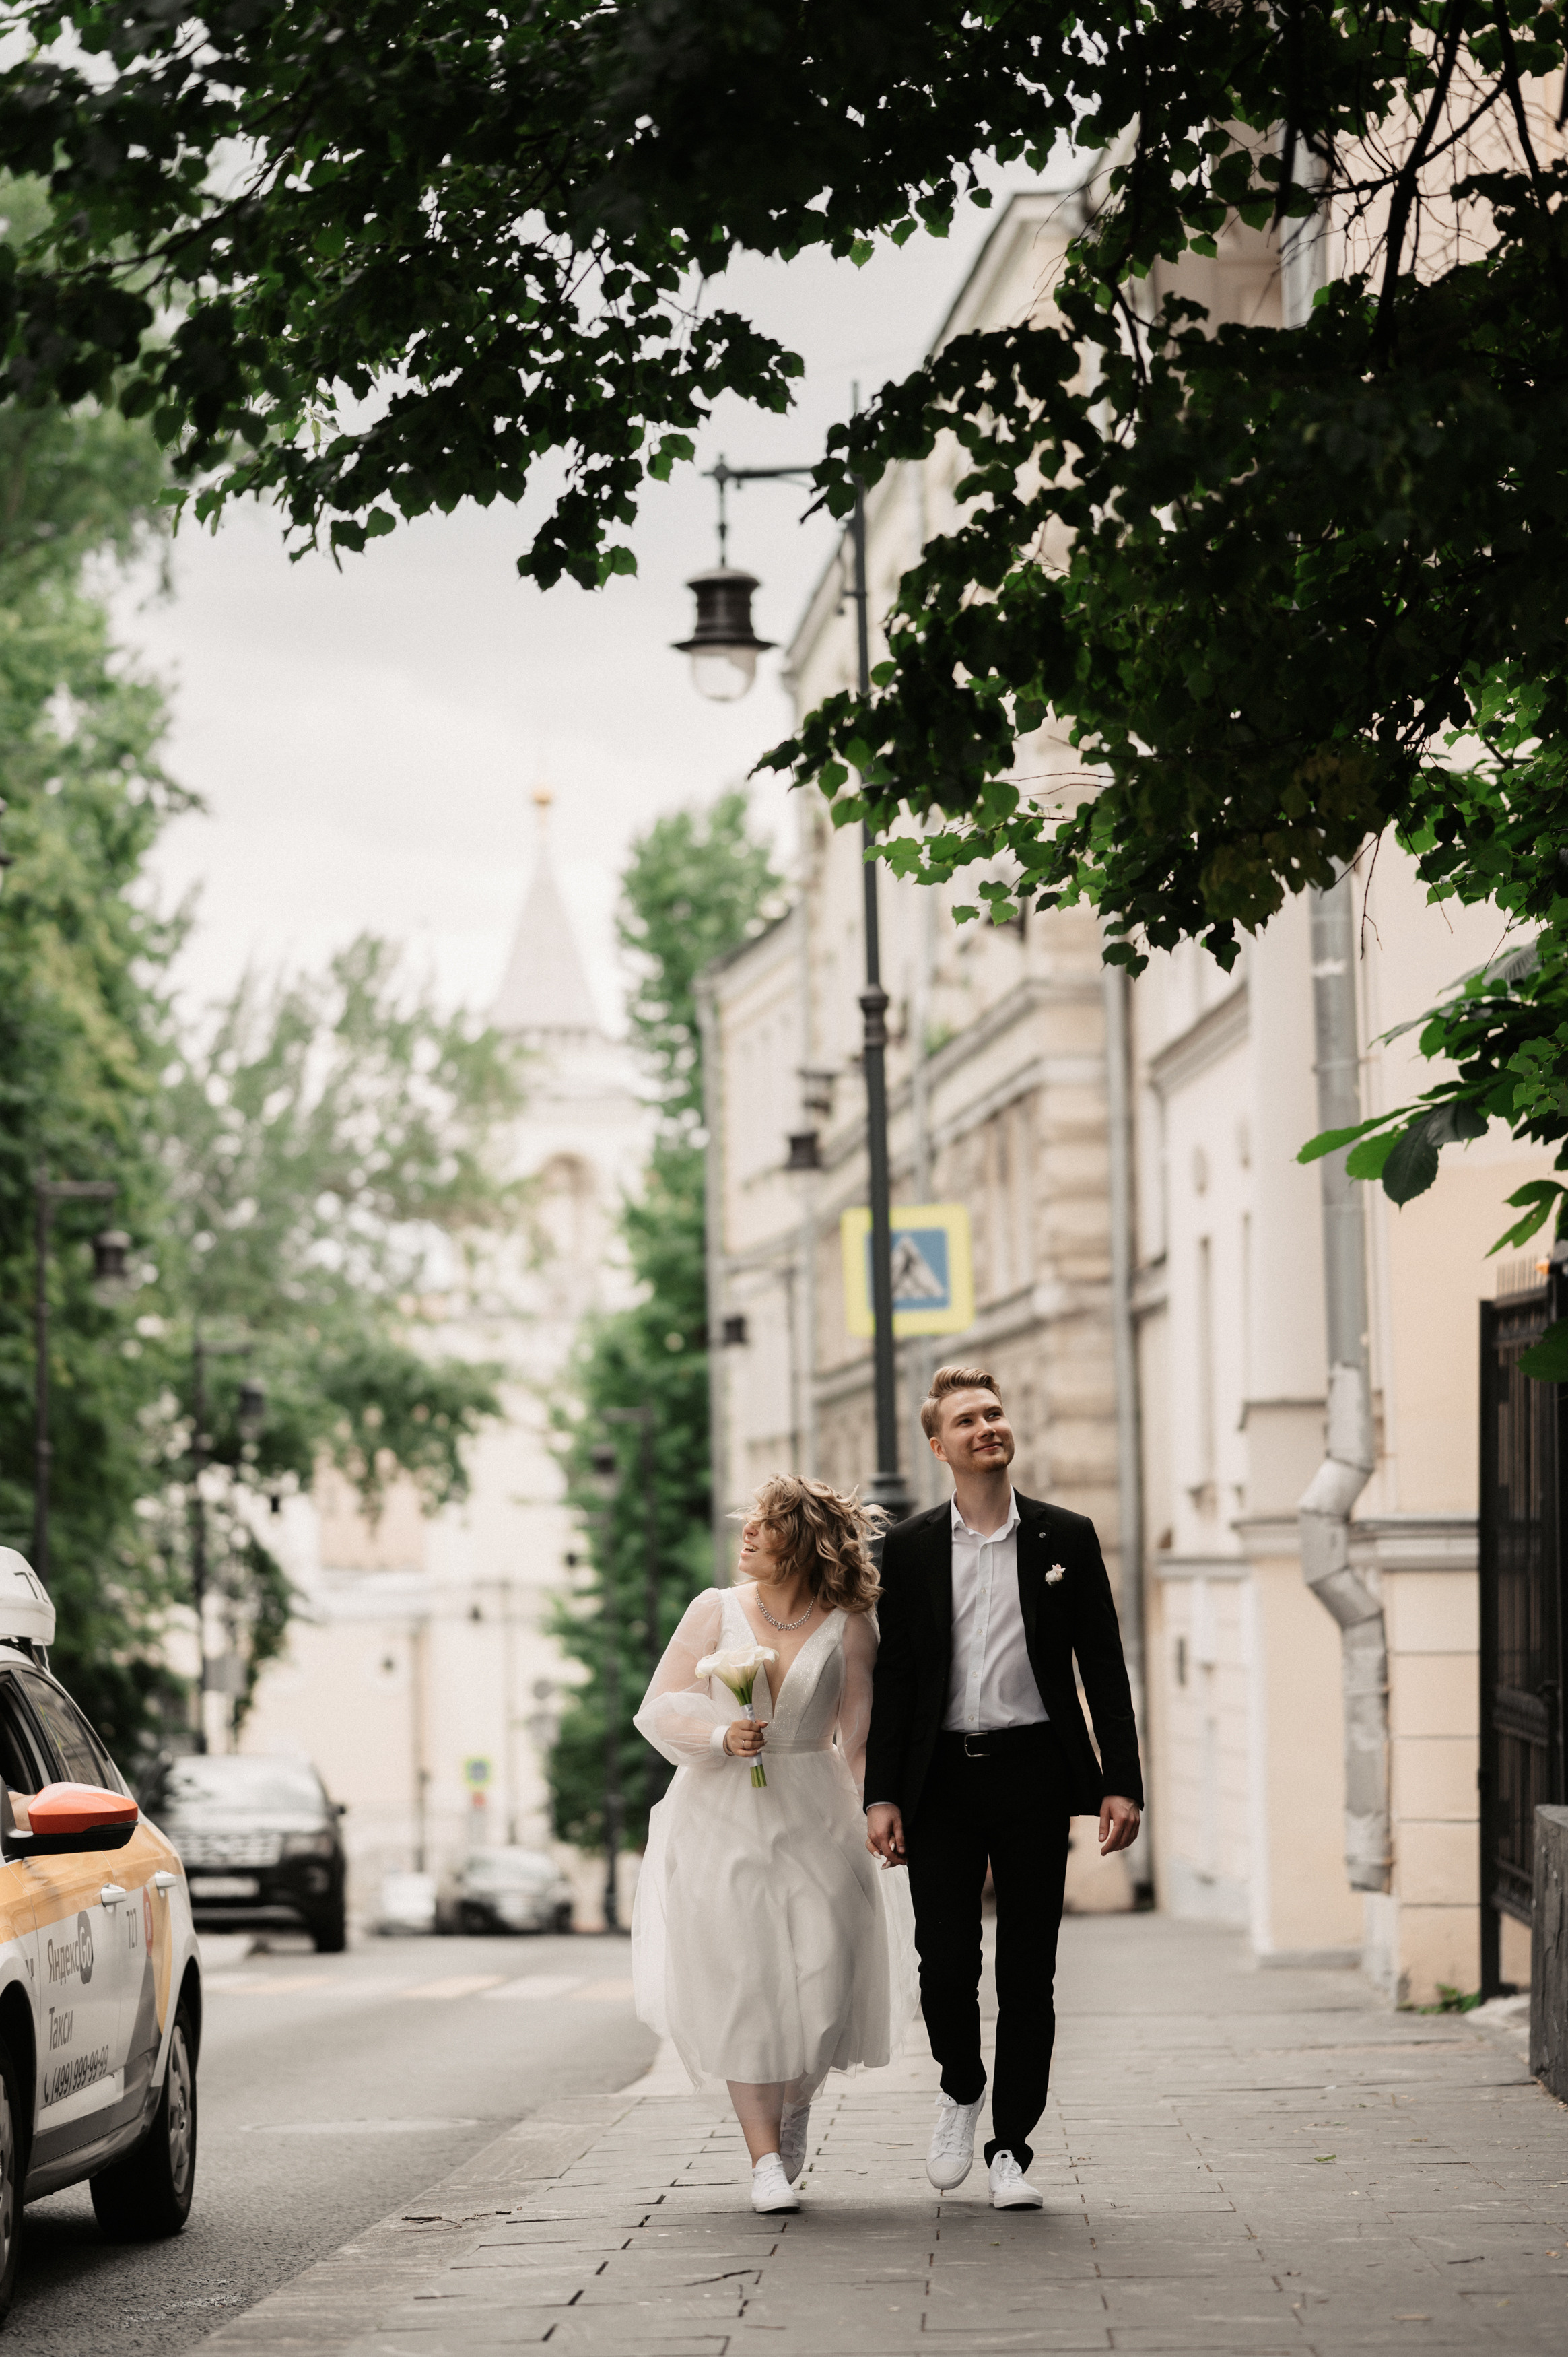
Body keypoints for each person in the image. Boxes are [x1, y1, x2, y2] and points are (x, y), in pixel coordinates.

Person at [864, 1364, 1143, 2212]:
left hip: (1032, 1772)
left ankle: (1011, 2144)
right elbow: (898, 1679)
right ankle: (959, 2086)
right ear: (938, 1444)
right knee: (944, 1965)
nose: (987, 1425)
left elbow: (1102, 1662)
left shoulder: (1066, 1535)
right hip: (940, 1779)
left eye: (993, 1412)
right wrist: (882, 1793)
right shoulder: (909, 1548)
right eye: (966, 1419)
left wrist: (1120, 1781)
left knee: (1029, 1971)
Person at [632, 1475, 918, 2216]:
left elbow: (856, 1737)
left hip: (815, 1809)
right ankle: (764, 2159)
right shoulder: (715, 1608)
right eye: (748, 1523)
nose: (747, 1534)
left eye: (765, 1524)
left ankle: (794, 2115)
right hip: (720, 1812)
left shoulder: (851, 1622)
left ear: (803, 1538)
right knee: (745, 1983)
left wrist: (878, 1810)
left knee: (824, 1976)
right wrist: (719, 1732)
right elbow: (659, 1706)